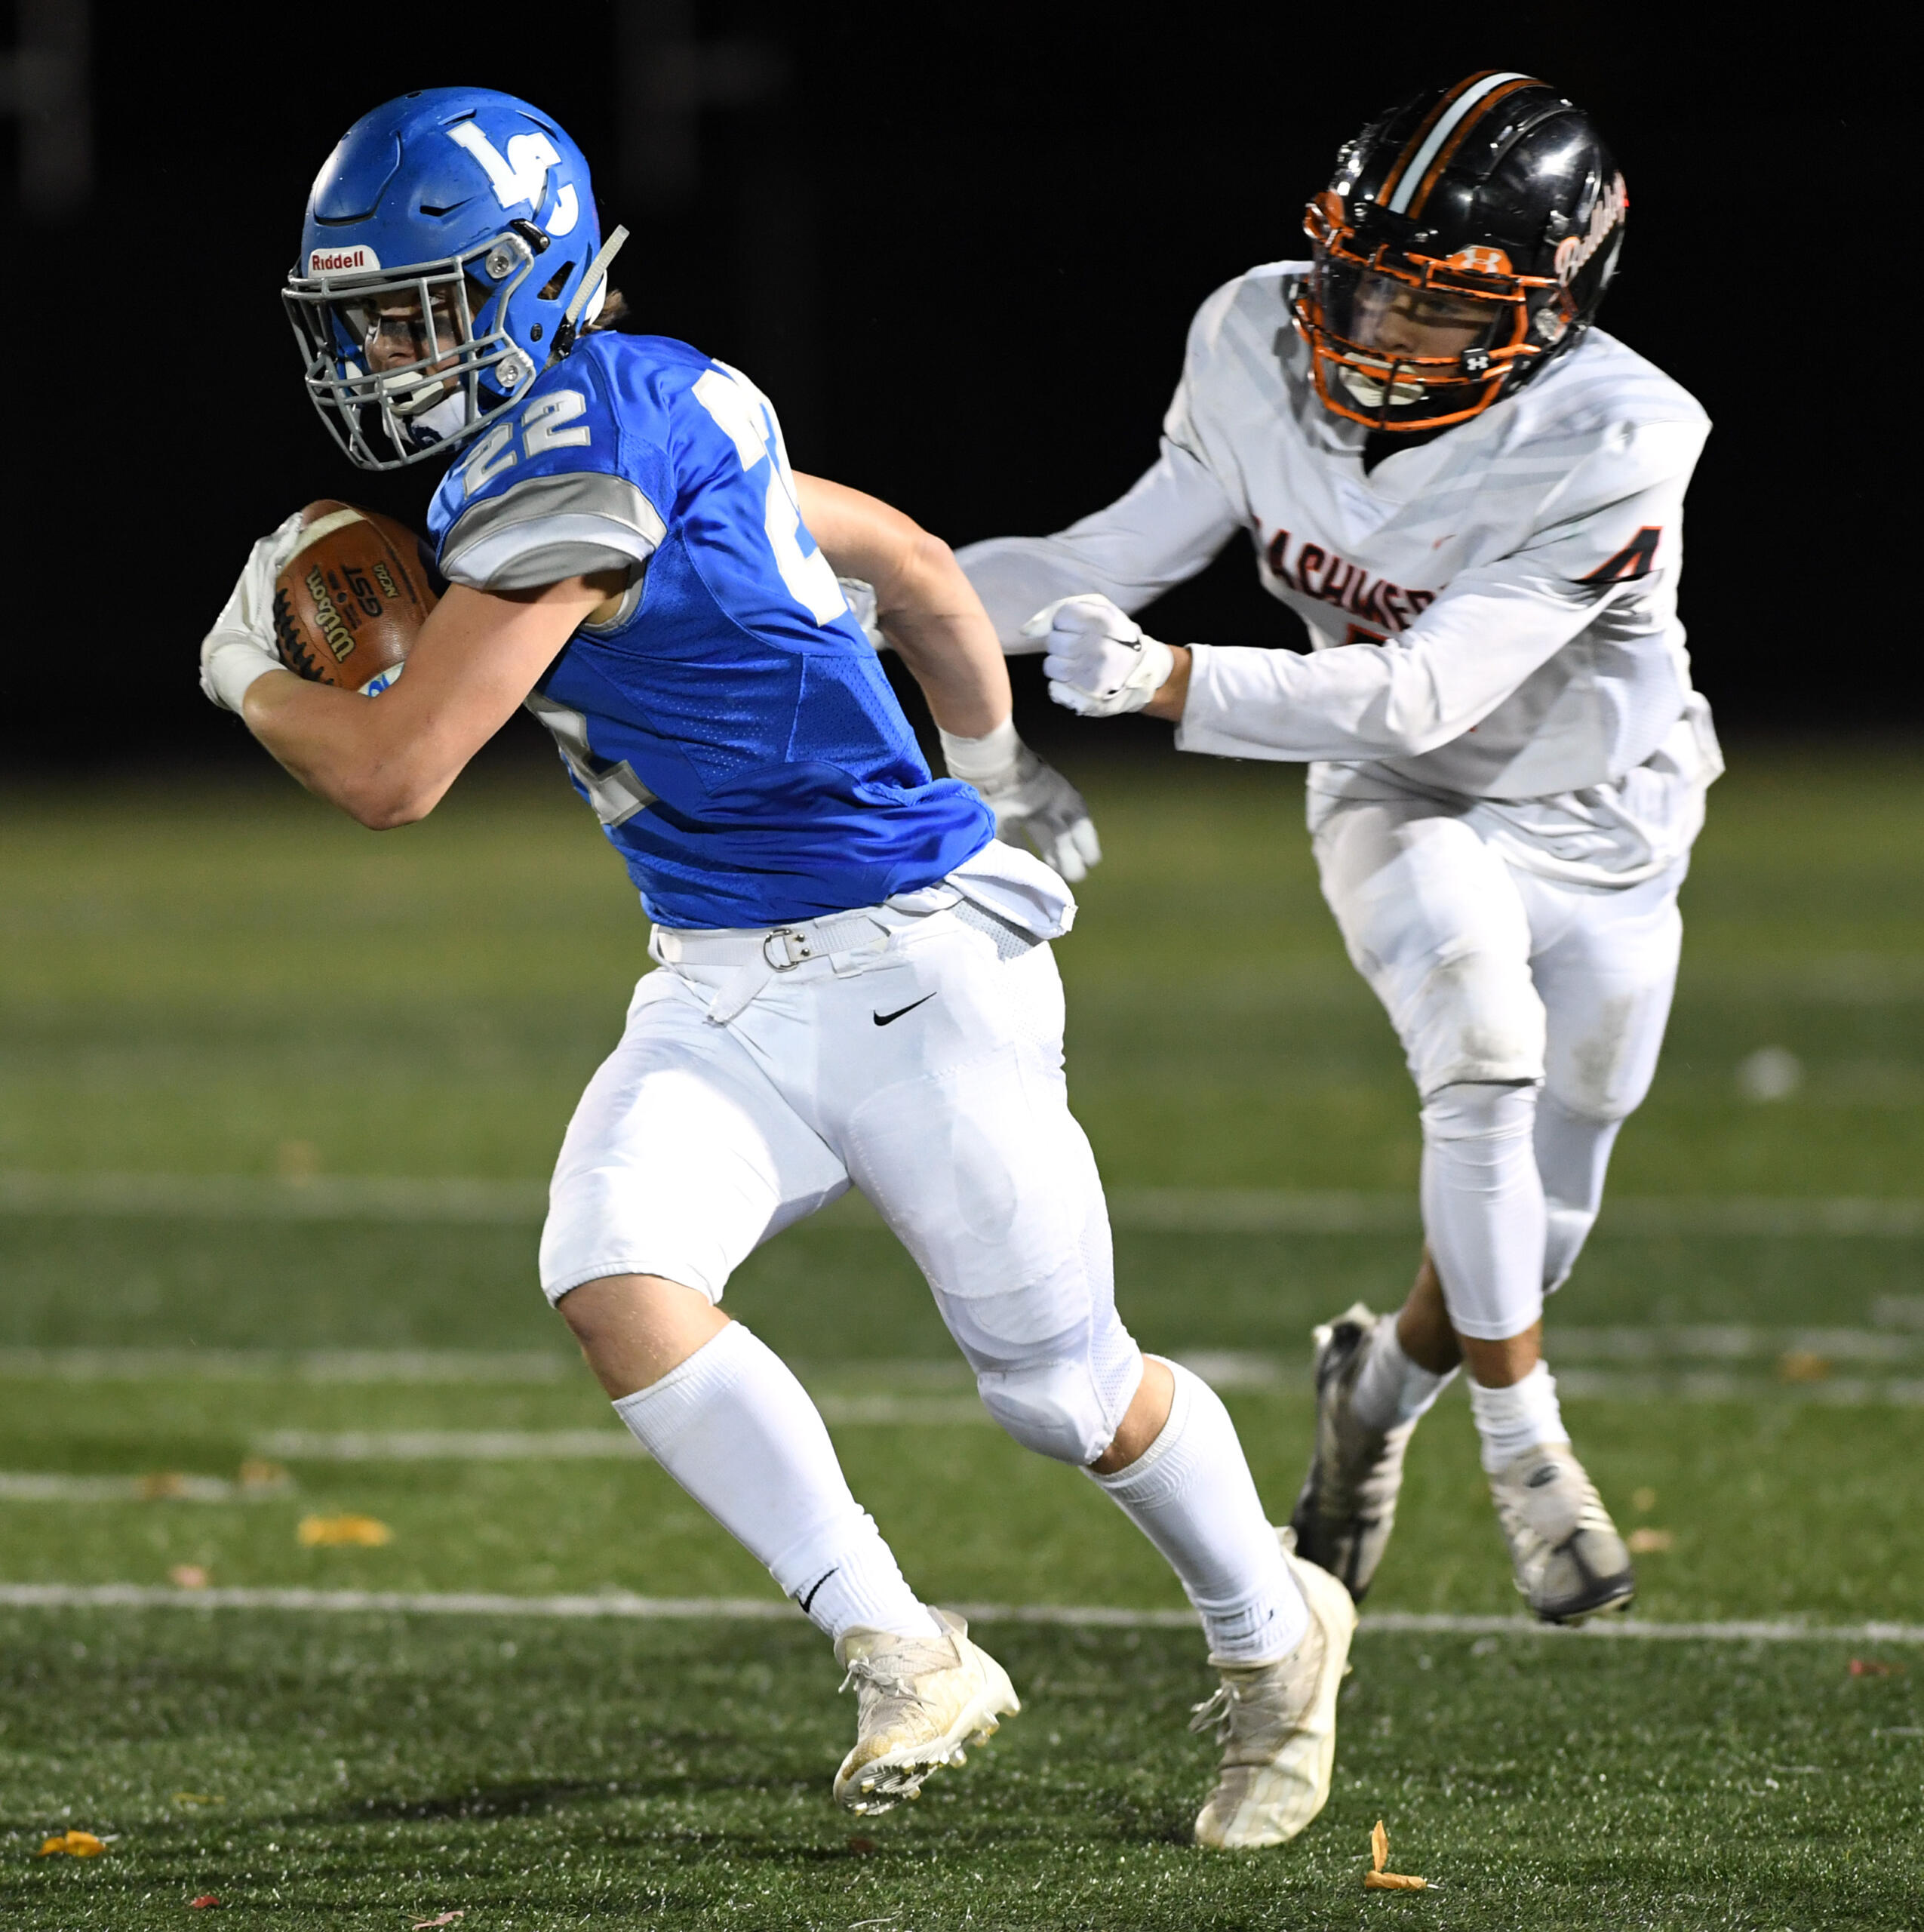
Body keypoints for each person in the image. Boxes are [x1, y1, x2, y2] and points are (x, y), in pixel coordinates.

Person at [197, 87, 1354, 1844]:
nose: (381, 348)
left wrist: (243, 676)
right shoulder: (648, 399)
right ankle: (903, 1644)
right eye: (359, 316)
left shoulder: (570, 465)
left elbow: (393, 770)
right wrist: (996, 759)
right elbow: (889, 548)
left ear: (532, 282)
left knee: (1062, 1388)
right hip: (724, 974)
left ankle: (1280, 1636)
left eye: (417, 306)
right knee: (613, 1269)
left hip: (908, 967)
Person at [958, 72, 1719, 1626]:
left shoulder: (1624, 431)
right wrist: (859, 600)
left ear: (1554, 305)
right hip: (1396, 788)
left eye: (1433, 308)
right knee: (1483, 1049)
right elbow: (1104, 556)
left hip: (1608, 814)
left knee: (1541, 1217)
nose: (1372, 333)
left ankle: (1369, 1404)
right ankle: (1530, 1454)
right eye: (1359, 280)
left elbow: (1429, 675)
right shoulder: (1253, 332)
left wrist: (1176, 681)